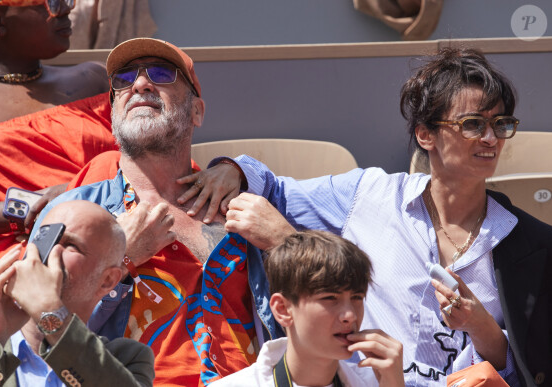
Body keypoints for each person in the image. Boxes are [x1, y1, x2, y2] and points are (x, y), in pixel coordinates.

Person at [185, 48, 552, 386]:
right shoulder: (369, 194)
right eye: (473, 124)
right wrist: (235, 169)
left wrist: (483, 329)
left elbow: (533, 367)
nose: (491, 138)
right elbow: (273, 190)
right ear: (426, 134)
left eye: (501, 124)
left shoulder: (533, 243)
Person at [31, 37, 283, 386]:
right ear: (114, 110)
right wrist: (119, 261)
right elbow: (35, 336)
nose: (139, 83)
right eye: (123, 79)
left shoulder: (242, 204)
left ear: (197, 112)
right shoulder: (73, 214)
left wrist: (243, 172)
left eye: (162, 73)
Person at [0, 0, 118, 275]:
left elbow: (152, 156)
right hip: (34, 261)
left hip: (131, 231)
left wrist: (225, 167)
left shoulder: (94, 77)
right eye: (49, 3)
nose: (65, 9)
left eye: (66, 0)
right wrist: (34, 206)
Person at [0, 200, 155, 386]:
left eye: (71, 245)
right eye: (45, 237)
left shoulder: (126, 359)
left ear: (107, 281)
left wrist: (48, 313)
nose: (51, 249)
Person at [211, 230, 405, 387]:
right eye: (330, 298)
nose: (350, 315)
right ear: (283, 309)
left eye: (357, 297)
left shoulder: (379, 382)